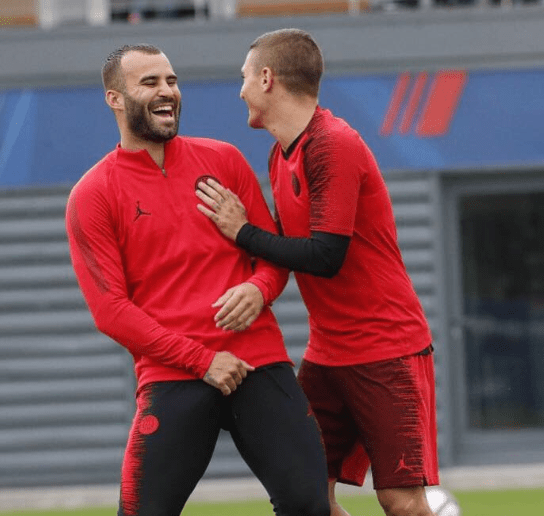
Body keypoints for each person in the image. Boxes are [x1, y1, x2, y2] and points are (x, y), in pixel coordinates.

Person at [65, 44, 330, 516]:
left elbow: (272, 253)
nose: (167, 91)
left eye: (171, 80)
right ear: (116, 99)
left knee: (309, 504)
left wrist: (259, 288)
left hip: (259, 361)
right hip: (174, 373)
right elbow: (110, 311)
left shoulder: (224, 159)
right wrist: (202, 360)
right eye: (149, 83)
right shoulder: (94, 194)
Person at [196, 29, 439, 516]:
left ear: (267, 79)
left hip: (386, 348)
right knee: (307, 495)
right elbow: (284, 253)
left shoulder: (333, 144)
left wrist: (241, 231)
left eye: (243, 78)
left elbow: (326, 255)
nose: (239, 90)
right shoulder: (278, 154)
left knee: (400, 500)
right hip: (328, 355)